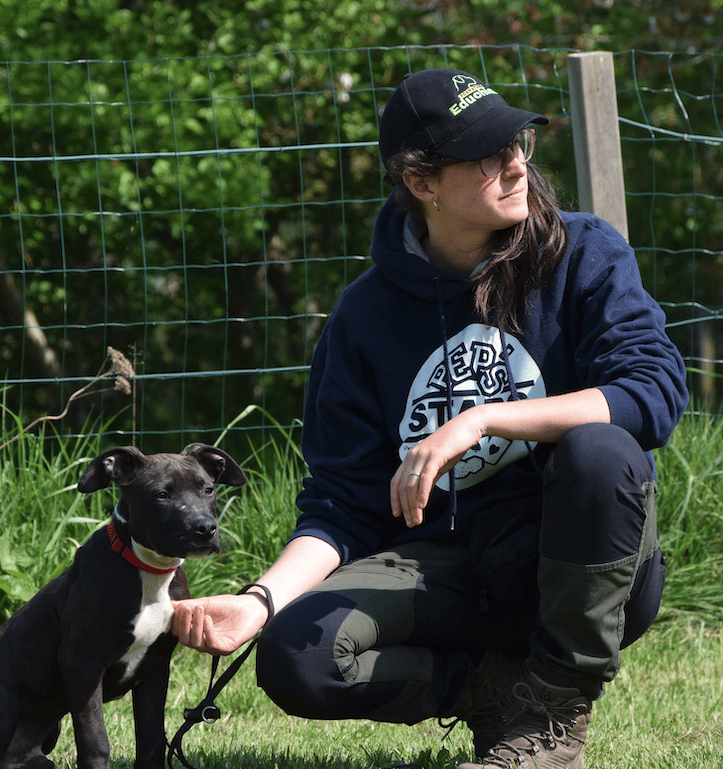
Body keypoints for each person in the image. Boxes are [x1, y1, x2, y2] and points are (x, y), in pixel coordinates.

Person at [172, 68, 689, 769]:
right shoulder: (363, 317)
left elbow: (652, 392)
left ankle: (553, 710)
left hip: (578, 562)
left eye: (518, 144)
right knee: (297, 656)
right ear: (422, 182)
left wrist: (483, 419)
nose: (516, 165)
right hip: (442, 565)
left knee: (600, 450)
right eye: (487, 155)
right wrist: (258, 602)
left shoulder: (584, 252)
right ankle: (493, 692)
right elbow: (341, 507)